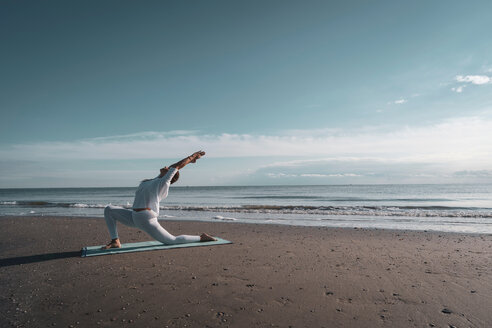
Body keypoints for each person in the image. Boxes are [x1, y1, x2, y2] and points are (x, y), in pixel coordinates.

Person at [101, 150, 216, 249]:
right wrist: (190, 160)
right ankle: (115, 241)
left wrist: (192, 156)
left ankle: (201, 237)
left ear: (170, 175)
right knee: (109, 209)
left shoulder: (163, 182)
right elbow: (174, 165)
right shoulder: (155, 180)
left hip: (146, 218)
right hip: (133, 217)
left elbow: (176, 166)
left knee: (172, 240)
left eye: (168, 169)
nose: (167, 166)